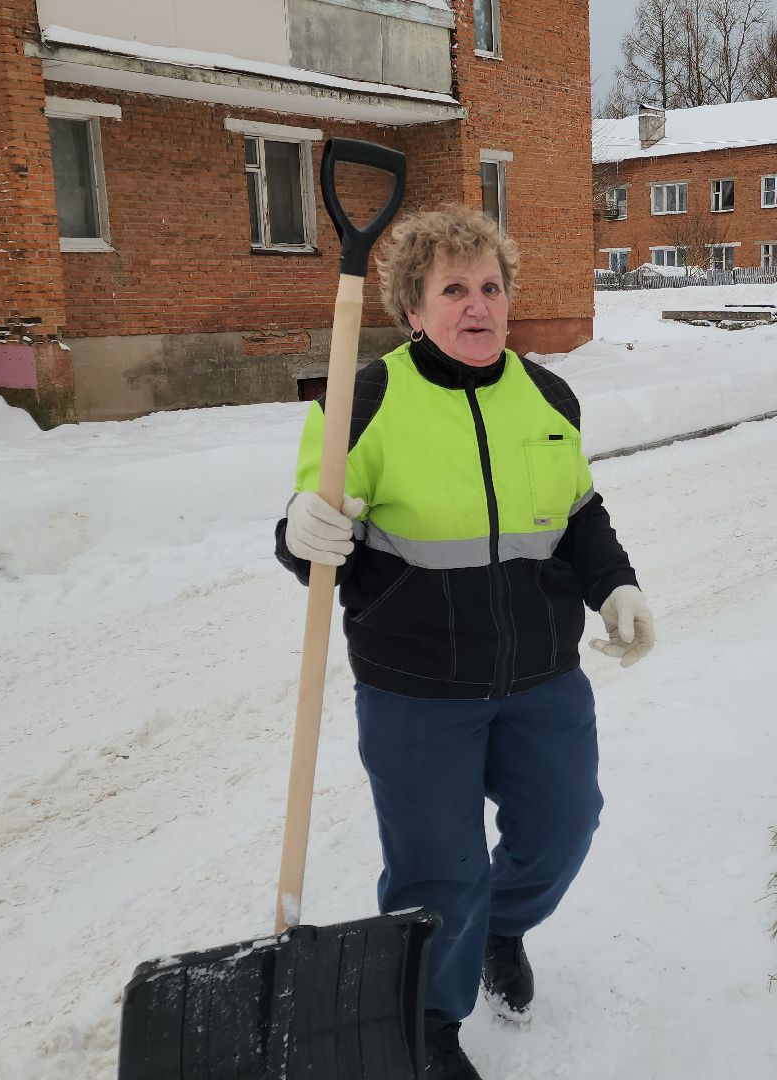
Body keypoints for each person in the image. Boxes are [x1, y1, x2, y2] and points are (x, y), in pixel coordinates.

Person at [275, 206, 656, 1080]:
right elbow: (315, 531)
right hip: (416, 686)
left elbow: (579, 514)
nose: (478, 305)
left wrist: (617, 585)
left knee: (565, 827)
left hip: (540, 677)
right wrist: (300, 531)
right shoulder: (364, 399)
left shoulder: (549, 395)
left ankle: (505, 925)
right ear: (414, 309)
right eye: (454, 289)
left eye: (491, 286)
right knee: (435, 873)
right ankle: (430, 1023)